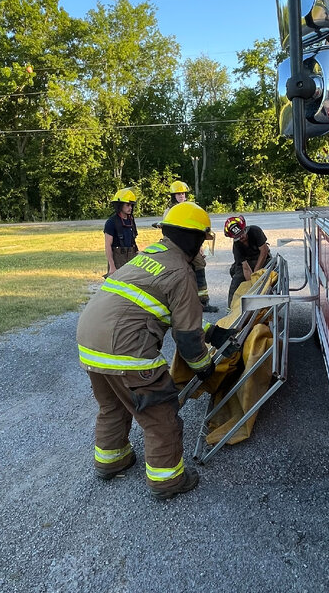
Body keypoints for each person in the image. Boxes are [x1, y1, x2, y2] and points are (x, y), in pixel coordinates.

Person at [77, 201, 216, 499]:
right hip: (125, 348)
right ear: (192, 238)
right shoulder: (181, 272)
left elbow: (147, 310)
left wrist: (212, 331)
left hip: (90, 341)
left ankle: (111, 461)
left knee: (113, 405)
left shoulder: (149, 256)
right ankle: (167, 482)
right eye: (202, 242)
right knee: (160, 414)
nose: (202, 250)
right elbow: (188, 338)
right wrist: (204, 366)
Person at [162, 180, 218, 313]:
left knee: (199, 268)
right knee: (178, 273)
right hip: (177, 248)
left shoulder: (191, 208)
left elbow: (197, 230)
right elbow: (166, 232)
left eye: (183, 193)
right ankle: (178, 305)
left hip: (192, 246)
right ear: (173, 196)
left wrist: (200, 246)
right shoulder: (169, 211)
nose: (181, 196)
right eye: (178, 194)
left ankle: (203, 302)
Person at [223, 215, 272, 305]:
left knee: (269, 278)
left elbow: (264, 251)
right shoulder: (236, 246)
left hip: (262, 258)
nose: (241, 238)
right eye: (238, 237)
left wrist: (256, 272)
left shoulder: (255, 231)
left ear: (245, 228)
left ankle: (268, 303)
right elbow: (245, 268)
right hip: (247, 263)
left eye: (242, 233)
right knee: (236, 279)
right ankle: (231, 309)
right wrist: (252, 284)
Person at [104, 188, 139, 276]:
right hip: (117, 260)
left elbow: (133, 241)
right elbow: (108, 245)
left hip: (131, 259)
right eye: (127, 205)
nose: (130, 208)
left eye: (131, 205)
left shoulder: (131, 220)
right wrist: (112, 266)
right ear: (120, 205)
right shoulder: (111, 222)